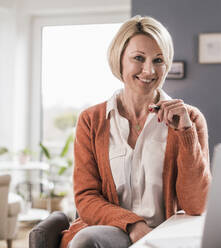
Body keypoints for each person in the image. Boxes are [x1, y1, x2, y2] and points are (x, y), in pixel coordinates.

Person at [60, 15, 211, 248]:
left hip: (165, 235)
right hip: (111, 231)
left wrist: (185, 134)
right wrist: (133, 225)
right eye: (138, 58)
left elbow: (196, 204)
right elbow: (86, 198)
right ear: (119, 60)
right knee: (85, 241)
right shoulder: (91, 120)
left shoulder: (189, 119)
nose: (149, 70)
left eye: (158, 60)